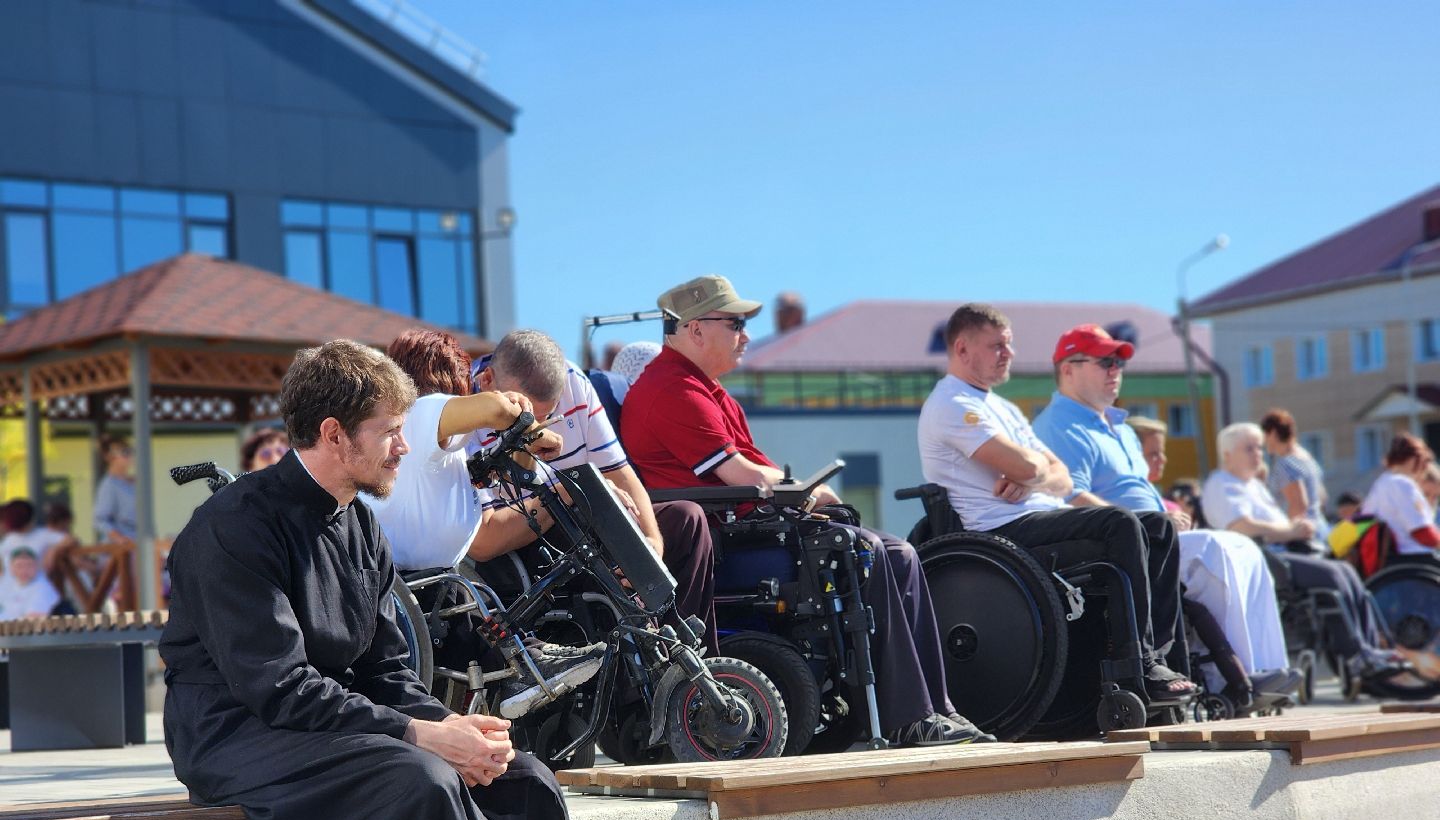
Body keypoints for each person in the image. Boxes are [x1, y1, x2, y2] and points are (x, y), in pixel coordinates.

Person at [159, 339, 603, 820]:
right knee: (418, 783)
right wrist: (419, 740)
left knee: (523, 778)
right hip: (236, 734)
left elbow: (385, 668)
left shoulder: (360, 522)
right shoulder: (234, 528)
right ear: (334, 434)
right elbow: (276, 686)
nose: (406, 447)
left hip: (326, 723)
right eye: (391, 431)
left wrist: (452, 726)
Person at [624, 274, 991, 745]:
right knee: (859, 550)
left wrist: (804, 491)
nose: (747, 335)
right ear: (696, 329)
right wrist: (810, 493)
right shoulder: (672, 389)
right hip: (720, 542)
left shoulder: (703, 388)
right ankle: (905, 721)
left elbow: (759, 472)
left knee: (897, 553)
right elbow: (745, 476)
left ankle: (934, 710)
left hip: (746, 530)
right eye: (735, 323)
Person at [917, 304, 1195, 703]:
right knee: (1120, 523)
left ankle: (1164, 661)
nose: (1009, 354)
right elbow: (1028, 463)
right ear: (962, 349)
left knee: (1158, 526)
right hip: (994, 534)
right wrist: (1032, 472)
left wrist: (1032, 476)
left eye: (1009, 345)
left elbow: (1059, 475)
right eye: (997, 346)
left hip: (1036, 516)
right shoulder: (952, 403)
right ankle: (1136, 664)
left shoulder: (1003, 407)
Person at [1030, 325, 1293, 706]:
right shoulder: (1061, 425)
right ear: (1068, 369)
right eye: (1105, 361)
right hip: (1118, 545)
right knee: (1216, 551)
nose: (1115, 370)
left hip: (1153, 534)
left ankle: (1267, 668)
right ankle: (1229, 678)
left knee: (1241, 547)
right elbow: (1070, 496)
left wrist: (1166, 515)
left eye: (1119, 362)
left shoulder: (1117, 427)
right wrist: (1147, 522)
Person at [370, 327, 607, 719]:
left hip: (431, 582)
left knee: (476, 595)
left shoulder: (430, 440)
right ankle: (525, 668)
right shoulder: (422, 411)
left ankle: (524, 666)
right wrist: (525, 416)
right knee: (473, 595)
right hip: (420, 586)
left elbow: (514, 475)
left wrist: (526, 446)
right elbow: (495, 412)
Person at [469, 329, 721, 657]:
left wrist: (651, 544)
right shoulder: (465, 409)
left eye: (548, 416)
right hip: (525, 544)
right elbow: (486, 542)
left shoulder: (573, 380)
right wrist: (569, 489)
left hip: (580, 515)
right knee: (597, 537)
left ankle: (688, 665)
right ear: (488, 380)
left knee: (686, 519)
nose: (537, 429)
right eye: (522, 416)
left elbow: (619, 472)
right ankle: (636, 676)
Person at [1202, 422, 1404, 681]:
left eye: (1259, 448)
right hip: (1257, 559)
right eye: (1249, 448)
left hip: (1278, 552)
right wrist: (1291, 531)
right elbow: (1242, 526)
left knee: (1345, 570)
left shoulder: (1251, 485)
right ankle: (1354, 654)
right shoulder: (1221, 484)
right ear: (1227, 454)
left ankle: (1371, 647)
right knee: (1332, 575)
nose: (1258, 454)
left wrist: (1296, 528)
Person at [1360, 434, 1439, 557]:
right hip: (1411, 555)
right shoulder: (1402, 483)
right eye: (1425, 463)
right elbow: (1422, 532)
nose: (1424, 470)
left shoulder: (1382, 483)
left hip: (1389, 557)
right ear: (1414, 460)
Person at [1261, 409, 1330, 550]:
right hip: (1320, 530)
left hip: (1302, 539)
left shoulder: (1286, 463)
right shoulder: (1307, 458)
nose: (1263, 442)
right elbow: (1322, 497)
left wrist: (1290, 534)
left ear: (1273, 433)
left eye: (1264, 435)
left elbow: (1298, 505)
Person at [94, 436, 137, 542]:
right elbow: (100, 519)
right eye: (125, 452)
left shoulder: (134, 483)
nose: (130, 455)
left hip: (138, 543)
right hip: (122, 551)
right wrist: (120, 539)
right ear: (110, 457)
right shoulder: (109, 484)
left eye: (130, 451)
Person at [0, 547, 61, 617]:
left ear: (37, 566)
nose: (24, 570)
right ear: (11, 568)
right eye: (19, 566)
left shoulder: (43, 588)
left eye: (29, 565)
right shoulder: (7, 585)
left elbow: (32, 621)